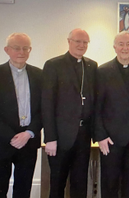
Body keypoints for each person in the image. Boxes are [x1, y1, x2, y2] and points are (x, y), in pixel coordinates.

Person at [0, 33, 42, 198]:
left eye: (25, 48)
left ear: (30, 50)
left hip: (28, 142)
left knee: (23, 191)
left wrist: (28, 133)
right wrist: (13, 136)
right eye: (16, 48)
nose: (21, 52)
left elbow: (43, 110)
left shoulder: (39, 75)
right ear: (7, 50)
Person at [42, 28, 97, 198]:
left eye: (85, 42)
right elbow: (47, 103)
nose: (81, 45)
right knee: (57, 182)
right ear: (69, 42)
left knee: (80, 183)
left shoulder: (92, 66)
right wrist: (50, 137)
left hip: (84, 134)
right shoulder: (54, 65)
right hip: (60, 136)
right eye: (78, 41)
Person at [94, 31, 129, 198]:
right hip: (112, 139)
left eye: (128, 44)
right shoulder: (103, 71)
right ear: (115, 47)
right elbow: (97, 106)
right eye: (121, 44)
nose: (125, 48)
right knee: (110, 183)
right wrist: (101, 136)